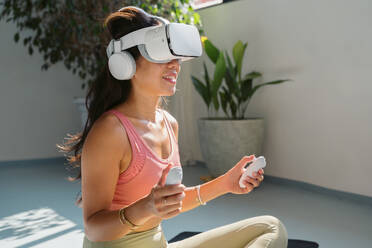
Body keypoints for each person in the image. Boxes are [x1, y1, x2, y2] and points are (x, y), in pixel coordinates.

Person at [58, 6, 288, 248]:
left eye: (176, 56)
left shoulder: (169, 124)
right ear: (125, 63)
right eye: (161, 54)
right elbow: (94, 228)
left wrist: (226, 183)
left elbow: (171, 202)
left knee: (271, 228)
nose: (175, 65)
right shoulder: (110, 132)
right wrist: (145, 207)